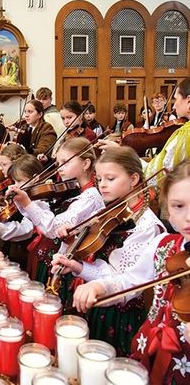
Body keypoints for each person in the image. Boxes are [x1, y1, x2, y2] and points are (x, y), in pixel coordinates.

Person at [72, 159, 190, 383]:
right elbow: (131, 280)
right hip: (150, 347)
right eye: (178, 206)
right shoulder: (164, 244)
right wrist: (101, 285)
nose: (188, 217)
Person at [52, 146, 164, 355]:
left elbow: (123, 281)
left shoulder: (147, 225)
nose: (102, 185)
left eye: (110, 179)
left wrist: (81, 268)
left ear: (133, 179)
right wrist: (72, 248)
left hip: (116, 313)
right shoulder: (108, 210)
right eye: (99, 179)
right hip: (90, 299)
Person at [9, 137, 104, 289]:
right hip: (55, 260)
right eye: (59, 163)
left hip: (69, 267)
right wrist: (24, 202)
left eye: (66, 162)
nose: (59, 168)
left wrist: (27, 202)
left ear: (86, 164)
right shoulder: (73, 190)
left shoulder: (90, 197)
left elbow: (53, 229)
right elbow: (43, 217)